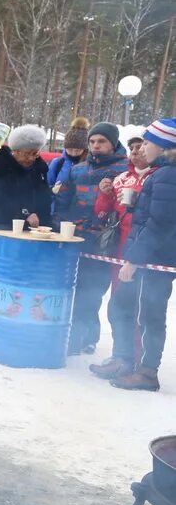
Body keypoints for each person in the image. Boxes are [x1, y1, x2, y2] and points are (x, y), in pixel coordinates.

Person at [99, 119, 176, 391]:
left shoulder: (169, 175)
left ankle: (146, 372)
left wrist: (134, 259)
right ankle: (123, 359)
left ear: (165, 147)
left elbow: (160, 223)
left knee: (148, 316)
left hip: (154, 262)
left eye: (148, 142)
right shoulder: (163, 173)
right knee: (121, 306)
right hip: (147, 258)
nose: (143, 148)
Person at [54, 122, 128, 355]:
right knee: (76, 289)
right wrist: (61, 223)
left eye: (102, 141)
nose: (96, 146)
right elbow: (64, 200)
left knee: (92, 290)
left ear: (113, 143)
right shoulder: (78, 169)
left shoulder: (124, 169)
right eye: (93, 141)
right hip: (76, 237)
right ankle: (84, 336)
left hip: (105, 241)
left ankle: (78, 340)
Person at [89, 136, 158, 380]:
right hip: (120, 252)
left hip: (147, 253)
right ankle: (121, 356)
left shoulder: (158, 177)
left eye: (141, 147)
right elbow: (102, 212)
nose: (136, 151)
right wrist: (105, 194)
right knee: (118, 306)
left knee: (141, 310)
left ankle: (139, 361)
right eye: (132, 148)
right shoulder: (122, 178)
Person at [0, 125, 52, 330]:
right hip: (0, 233)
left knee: (24, 280)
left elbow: (44, 197)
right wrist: (25, 213)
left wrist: (45, 217)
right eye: (27, 154)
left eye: (35, 153)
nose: (31, 158)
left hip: (31, 236)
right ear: (15, 151)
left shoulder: (40, 168)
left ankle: (18, 320)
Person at [48, 116, 90, 189]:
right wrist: (53, 189)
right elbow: (46, 187)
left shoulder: (91, 165)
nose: (73, 154)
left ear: (85, 149)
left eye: (77, 150)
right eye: (70, 149)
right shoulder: (57, 164)